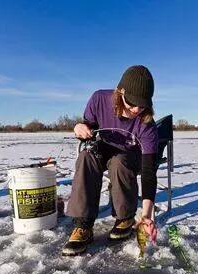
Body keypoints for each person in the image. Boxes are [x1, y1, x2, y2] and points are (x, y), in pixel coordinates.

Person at [62, 65, 159, 255]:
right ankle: (83, 225)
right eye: (132, 103)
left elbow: (148, 172)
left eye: (142, 105)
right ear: (120, 92)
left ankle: (125, 217)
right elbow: (88, 125)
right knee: (86, 157)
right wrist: (80, 128)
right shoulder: (99, 99)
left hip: (130, 154)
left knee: (119, 162)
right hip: (103, 145)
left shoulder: (147, 124)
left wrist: (146, 215)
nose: (136, 109)